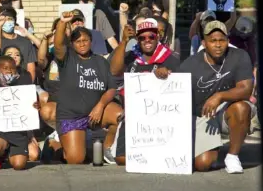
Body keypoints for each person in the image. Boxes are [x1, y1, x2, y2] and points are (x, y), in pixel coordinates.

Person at [179, 21, 257, 173]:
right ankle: (214, 147)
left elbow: (246, 89)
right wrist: (162, 73)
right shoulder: (190, 64)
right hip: (203, 115)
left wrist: (220, 95)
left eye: (222, 40)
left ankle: (232, 156)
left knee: (241, 107)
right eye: (213, 40)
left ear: (228, 41)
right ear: (204, 43)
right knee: (202, 164)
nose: (218, 44)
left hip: (228, 110)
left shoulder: (239, 56)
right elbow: (173, 86)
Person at [53, 11, 123, 164]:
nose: (82, 43)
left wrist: (100, 105)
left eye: (85, 40)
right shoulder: (67, 58)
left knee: (120, 115)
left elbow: (111, 88)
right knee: (75, 159)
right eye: (78, 41)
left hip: (94, 114)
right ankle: (54, 144)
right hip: (71, 116)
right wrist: (62, 22)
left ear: (91, 41)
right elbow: (58, 44)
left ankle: (107, 149)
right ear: (72, 44)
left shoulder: (101, 62)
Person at [109, 18, 180, 165]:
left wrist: (168, 73)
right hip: (134, 117)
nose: (147, 40)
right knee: (122, 160)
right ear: (137, 39)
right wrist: (123, 42)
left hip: (162, 119)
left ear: (158, 37)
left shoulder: (170, 59)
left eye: (151, 37)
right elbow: (115, 71)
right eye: (142, 37)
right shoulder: (131, 56)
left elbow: (179, 91)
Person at [2, 45, 41, 161]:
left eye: (17, 54)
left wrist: (31, 134)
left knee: (33, 155)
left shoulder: (26, 76)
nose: (14, 57)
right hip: (1, 128)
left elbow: (29, 104)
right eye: (9, 54)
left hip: (20, 127)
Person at [0, 4, 37, 82]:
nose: (7, 22)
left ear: (15, 21)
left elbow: (31, 68)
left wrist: (29, 86)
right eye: (4, 19)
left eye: (10, 19)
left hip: (23, 82)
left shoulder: (26, 42)